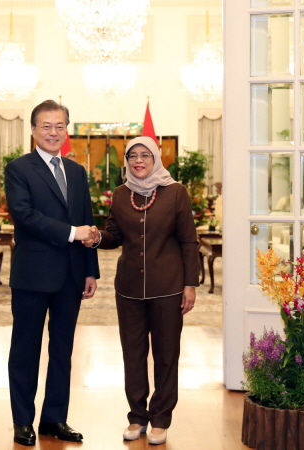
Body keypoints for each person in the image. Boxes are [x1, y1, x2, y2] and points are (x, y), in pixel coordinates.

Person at [84, 136, 199, 445]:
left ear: (156, 158)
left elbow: (189, 242)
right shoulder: (122, 194)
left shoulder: (176, 193)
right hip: (129, 289)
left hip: (169, 287)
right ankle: (137, 417)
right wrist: (97, 238)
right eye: (133, 155)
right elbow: (114, 235)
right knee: (133, 355)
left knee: (165, 355)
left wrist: (190, 284)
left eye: (145, 155)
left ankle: (161, 418)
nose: (138, 160)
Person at [4, 99, 100, 446]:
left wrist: (90, 271)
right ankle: (22, 421)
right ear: (33, 130)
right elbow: (25, 215)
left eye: (59, 126)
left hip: (72, 276)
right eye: (46, 126)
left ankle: (54, 419)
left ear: (67, 130)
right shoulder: (18, 169)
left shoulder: (76, 171)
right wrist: (72, 233)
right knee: (25, 349)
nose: (53, 132)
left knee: (62, 349)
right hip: (32, 275)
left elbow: (87, 218)